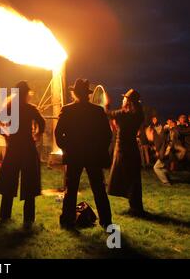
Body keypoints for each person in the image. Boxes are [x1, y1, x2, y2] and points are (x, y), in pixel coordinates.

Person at [55, 79, 113, 229]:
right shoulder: (97, 111)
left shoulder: (67, 110)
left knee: (71, 189)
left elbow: (58, 133)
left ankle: (68, 220)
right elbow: (107, 135)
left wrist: (66, 148)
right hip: (93, 155)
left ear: (74, 93)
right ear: (87, 94)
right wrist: (100, 150)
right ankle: (106, 221)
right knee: (99, 189)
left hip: (74, 155)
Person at [0, 81, 45, 228]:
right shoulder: (31, 108)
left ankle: (5, 216)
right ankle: (28, 219)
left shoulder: (10, 108)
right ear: (26, 93)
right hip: (28, 147)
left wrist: (6, 134)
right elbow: (42, 122)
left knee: (8, 182)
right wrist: (37, 135)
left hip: (14, 148)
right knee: (30, 184)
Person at [105, 88, 145, 216]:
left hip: (123, 150)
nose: (122, 99)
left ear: (128, 101)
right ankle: (136, 207)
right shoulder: (138, 114)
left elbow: (107, 113)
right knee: (133, 179)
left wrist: (106, 103)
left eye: (124, 98)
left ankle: (135, 209)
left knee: (127, 179)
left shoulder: (124, 114)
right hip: (132, 149)